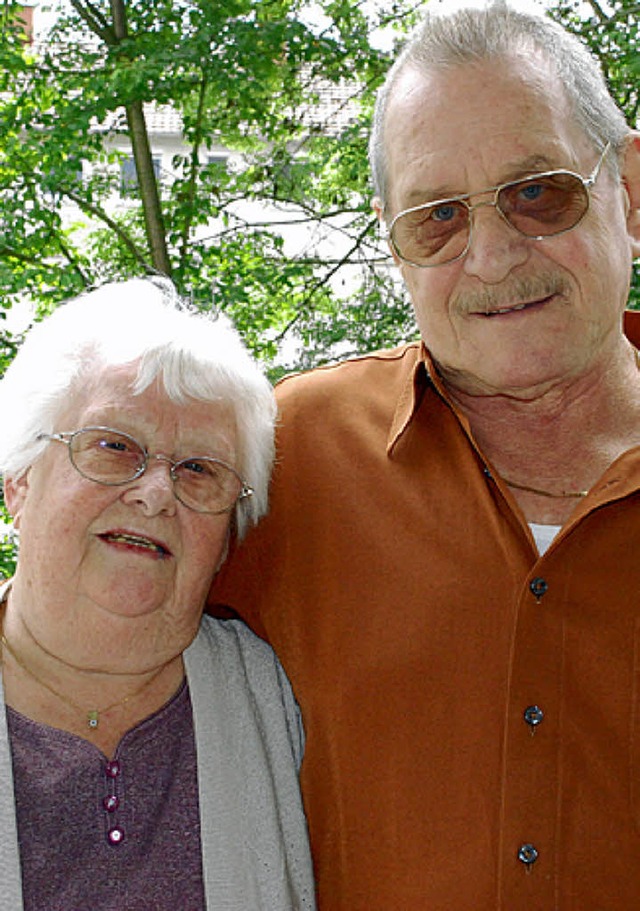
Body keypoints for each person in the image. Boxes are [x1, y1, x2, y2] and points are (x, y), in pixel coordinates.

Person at [210, 2, 640, 908]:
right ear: (392, 244)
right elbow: (70, 647)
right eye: (436, 217)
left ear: (630, 190)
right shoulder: (288, 460)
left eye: (538, 192)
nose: (490, 254)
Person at [0, 278, 316, 911]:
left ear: (228, 536)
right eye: (114, 448)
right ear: (19, 482)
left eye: (199, 470)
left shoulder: (285, 697)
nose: (155, 494)